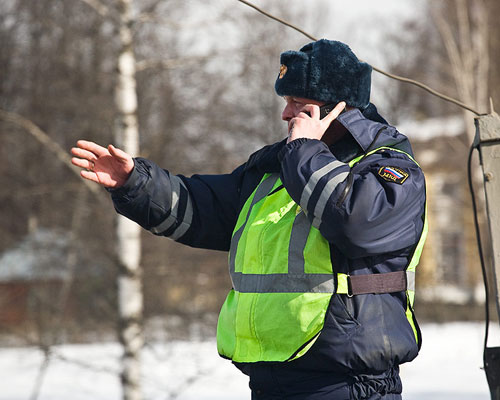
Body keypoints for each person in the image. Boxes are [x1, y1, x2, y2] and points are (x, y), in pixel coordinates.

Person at [71, 39, 427, 399]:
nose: (286, 115)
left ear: (339, 110)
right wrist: (135, 182)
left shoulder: (390, 168)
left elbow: (353, 223)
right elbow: (202, 208)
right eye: (286, 103)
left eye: (299, 105)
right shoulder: (277, 167)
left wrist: (304, 150)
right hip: (272, 380)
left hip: (349, 385)